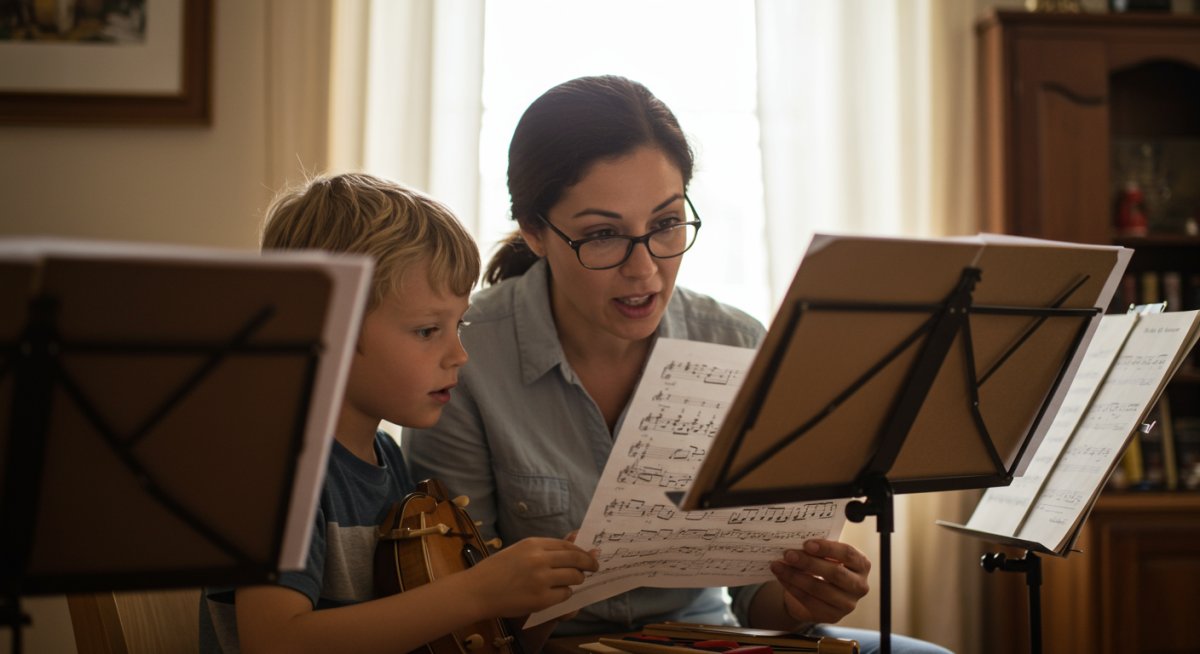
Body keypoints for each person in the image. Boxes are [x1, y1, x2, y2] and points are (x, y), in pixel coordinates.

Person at [404, 76, 951, 654]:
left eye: (665, 224)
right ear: (536, 232)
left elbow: (755, 598)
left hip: (705, 638)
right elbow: (466, 627)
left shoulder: (736, 343)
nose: (645, 271)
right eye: (603, 235)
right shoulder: (466, 357)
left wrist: (800, 600)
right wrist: (552, 590)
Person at [199, 173, 599, 654]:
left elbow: (437, 638)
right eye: (429, 330)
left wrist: (540, 603)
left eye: (460, 324)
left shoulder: (386, 457)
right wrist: (475, 592)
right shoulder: (281, 467)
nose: (459, 355)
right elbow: (275, 641)